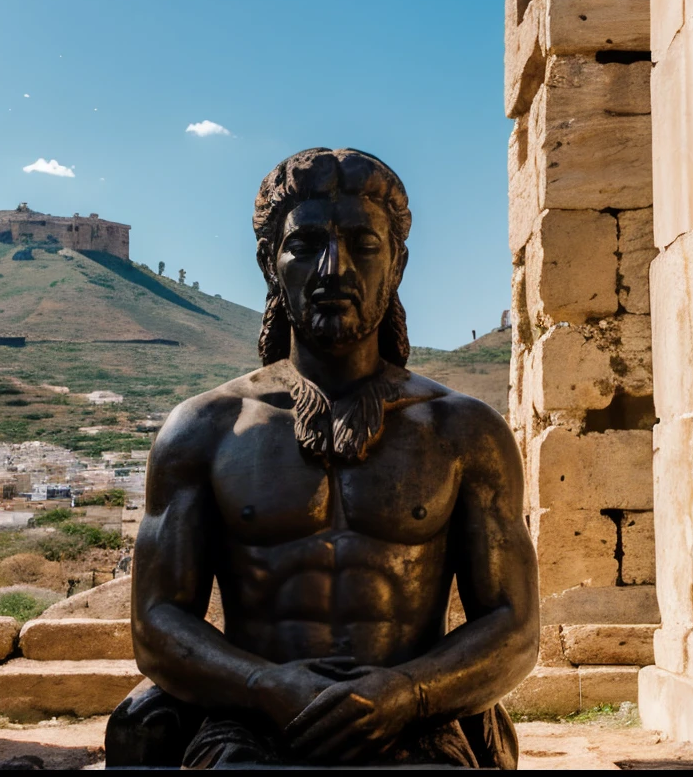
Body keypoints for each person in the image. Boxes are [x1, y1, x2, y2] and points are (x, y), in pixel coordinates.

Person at [108, 148, 538, 768]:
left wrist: (409, 692)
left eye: (363, 244)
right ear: (268, 263)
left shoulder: (464, 431)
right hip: (251, 721)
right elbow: (157, 621)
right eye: (306, 244)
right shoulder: (204, 429)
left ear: (396, 264)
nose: (334, 268)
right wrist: (265, 686)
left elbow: (513, 625)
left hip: (412, 722)